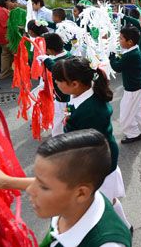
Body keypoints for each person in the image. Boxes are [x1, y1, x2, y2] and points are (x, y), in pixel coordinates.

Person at [0, 129, 132, 246]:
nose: (30, 190)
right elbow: (52, 184)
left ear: (81, 193)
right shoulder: (82, 200)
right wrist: (7, 182)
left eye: (43, 186)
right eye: (36, 179)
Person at [50, 56, 133, 230]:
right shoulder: (81, 93)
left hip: (98, 164)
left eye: (58, 82)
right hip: (97, 159)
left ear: (74, 84)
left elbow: (83, 145)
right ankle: (125, 226)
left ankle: (117, 232)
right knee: (107, 201)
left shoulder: (92, 110)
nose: (56, 85)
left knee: (102, 205)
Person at [110, 27, 141, 143]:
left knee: (126, 112)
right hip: (137, 86)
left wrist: (111, 57)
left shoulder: (130, 54)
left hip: (132, 89)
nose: (119, 40)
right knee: (138, 109)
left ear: (130, 42)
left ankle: (133, 134)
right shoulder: (134, 50)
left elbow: (117, 67)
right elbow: (122, 61)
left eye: (121, 38)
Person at [40, 33, 72, 137]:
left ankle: (59, 140)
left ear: (49, 50)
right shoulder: (70, 55)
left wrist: (46, 60)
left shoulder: (55, 62)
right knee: (68, 118)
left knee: (59, 120)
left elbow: (57, 69)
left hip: (63, 99)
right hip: (71, 97)